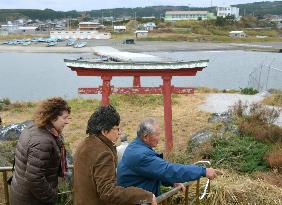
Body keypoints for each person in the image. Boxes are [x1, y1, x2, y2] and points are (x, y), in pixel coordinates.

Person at [73, 105, 157, 205]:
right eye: (116, 129)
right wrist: (144, 196)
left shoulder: (83, 145)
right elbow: (108, 192)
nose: (119, 132)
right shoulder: (103, 153)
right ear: (104, 131)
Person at [117, 117, 220, 197]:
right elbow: (168, 170)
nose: (159, 138)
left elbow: (153, 171)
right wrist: (202, 171)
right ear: (145, 136)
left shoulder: (137, 146)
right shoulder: (141, 155)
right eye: (157, 135)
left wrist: (171, 181)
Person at [10, 97, 71, 205]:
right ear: (52, 117)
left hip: (22, 194)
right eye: (65, 118)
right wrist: (51, 196)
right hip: (32, 200)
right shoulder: (43, 141)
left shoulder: (34, 127)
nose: (67, 122)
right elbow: (34, 178)